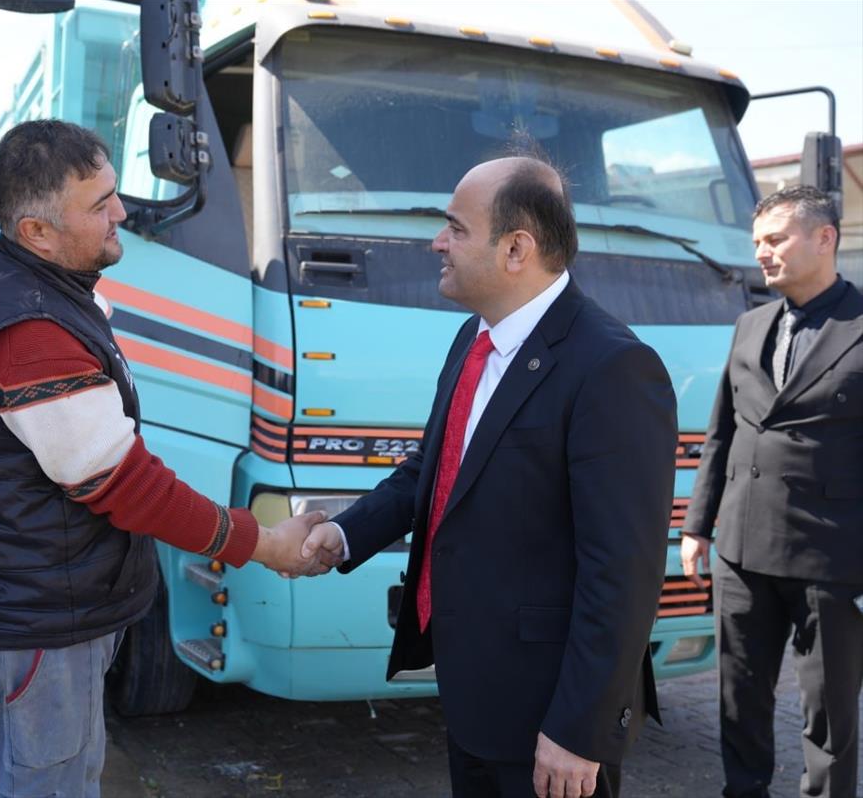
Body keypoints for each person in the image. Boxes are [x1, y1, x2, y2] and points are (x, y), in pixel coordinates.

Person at [0, 120, 323, 798]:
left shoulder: (11, 278)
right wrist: (261, 542)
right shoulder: (30, 330)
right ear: (37, 232)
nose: (122, 213)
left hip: (22, 617)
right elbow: (125, 484)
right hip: (30, 635)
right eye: (99, 204)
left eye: (114, 191)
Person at [302, 156, 677, 798]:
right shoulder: (473, 340)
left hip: (550, 721)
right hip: (475, 694)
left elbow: (623, 571)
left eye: (456, 228)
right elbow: (434, 471)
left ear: (515, 249)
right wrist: (341, 535)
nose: (437, 242)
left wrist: (579, 730)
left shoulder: (612, 366)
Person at [681, 185, 863, 798]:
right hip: (740, 547)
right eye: (757, 241)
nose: (762, 253)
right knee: (739, 698)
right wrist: (697, 524)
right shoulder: (751, 323)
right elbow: (722, 431)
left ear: (825, 238)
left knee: (828, 712)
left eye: (776, 239)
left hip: (830, 557)